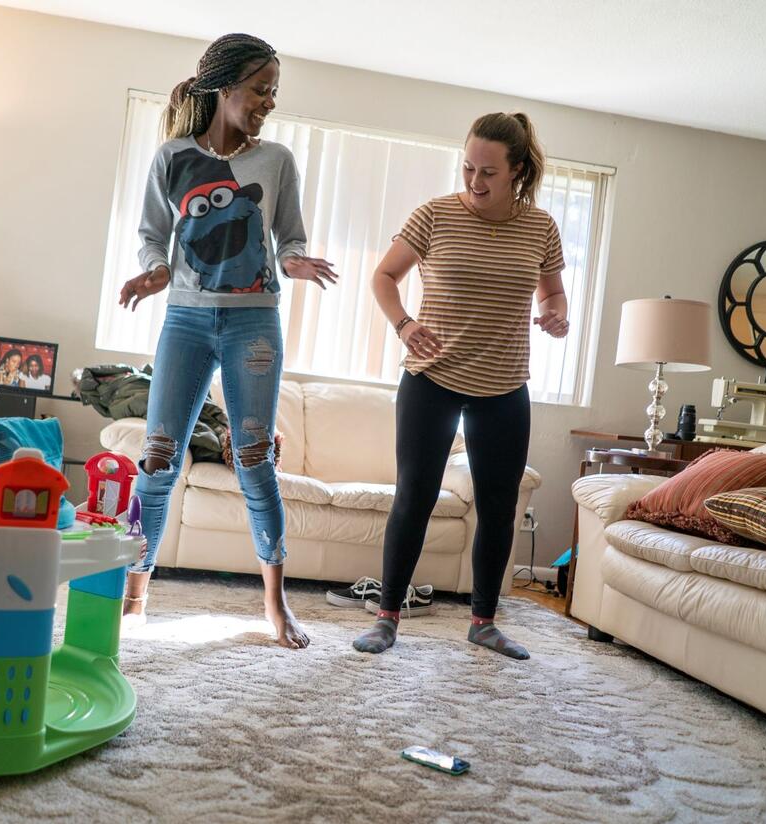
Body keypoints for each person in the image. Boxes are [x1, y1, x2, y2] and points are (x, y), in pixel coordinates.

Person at [118, 33, 337, 648]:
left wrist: (293, 262)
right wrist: (155, 271)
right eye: (259, 90)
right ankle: (137, 595)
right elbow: (151, 235)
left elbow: (288, 237)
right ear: (223, 87)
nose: (268, 102)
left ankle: (275, 605)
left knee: (253, 460)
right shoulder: (172, 157)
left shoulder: (276, 161)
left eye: (273, 92)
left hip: (253, 324)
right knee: (158, 459)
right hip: (185, 320)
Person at [353, 112, 570, 658]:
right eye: (469, 167)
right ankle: (387, 618)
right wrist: (404, 324)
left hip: (503, 386)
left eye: (489, 172)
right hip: (433, 379)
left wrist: (556, 315)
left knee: (499, 508)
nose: (475, 182)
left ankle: (484, 622)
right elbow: (383, 276)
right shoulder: (435, 215)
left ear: (517, 170)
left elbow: (552, 293)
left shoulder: (540, 227)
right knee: (415, 497)